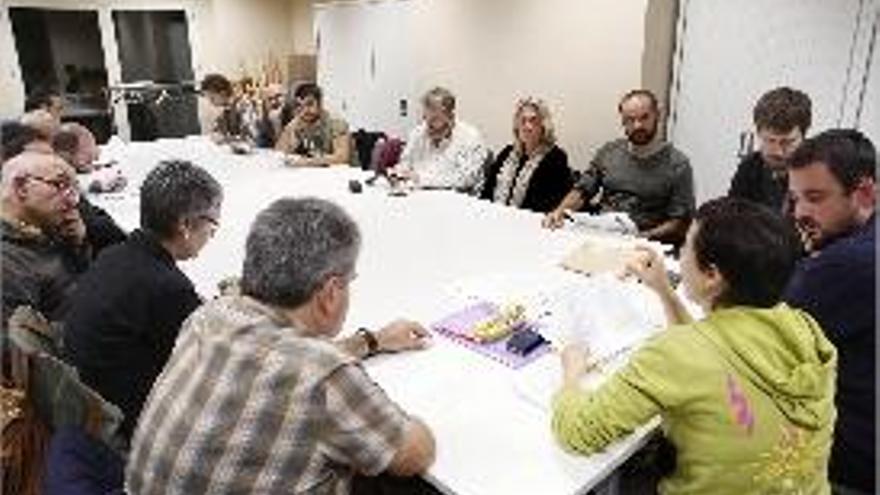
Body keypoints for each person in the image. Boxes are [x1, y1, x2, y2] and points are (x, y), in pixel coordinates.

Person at [126, 198, 436, 494]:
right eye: (349, 280)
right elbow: (414, 455)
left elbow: (274, 359)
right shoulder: (325, 375)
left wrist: (372, 341)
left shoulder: (209, 316)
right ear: (330, 293)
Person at [552, 197, 836, 494]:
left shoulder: (676, 354)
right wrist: (663, 289)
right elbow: (718, 349)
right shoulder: (806, 331)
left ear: (712, 275)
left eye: (686, 246)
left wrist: (572, 373)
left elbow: (579, 432)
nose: (681, 254)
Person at [65, 160, 223, 442]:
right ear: (186, 225)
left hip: (87, 399)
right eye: (212, 225)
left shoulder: (115, 255)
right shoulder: (167, 287)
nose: (213, 235)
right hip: (133, 420)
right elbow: (208, 366)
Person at [783, 130, 876, 495]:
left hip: (845, 464)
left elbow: (763, 333)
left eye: (815, 198)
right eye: (795, 199)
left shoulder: (852, 263)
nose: (801, 212)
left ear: (865, 193)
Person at [543, 90, 694, 246]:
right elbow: (582, 190)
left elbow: (679, 223)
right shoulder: (609, 151)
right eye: (630, 120)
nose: (638, 125)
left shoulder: (678, 164)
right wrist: (559, 211)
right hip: (602, 233)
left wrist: (642, 237)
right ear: (622, 121)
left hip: (645, 242)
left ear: (657, 115)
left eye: (644, 117)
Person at [1, 151, 88, 324]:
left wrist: (77, 245)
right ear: (21, 188)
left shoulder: (43, 230)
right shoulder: (7, 261)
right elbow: (22, 345)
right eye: (60, 185)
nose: (72, 201)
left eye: (73, 189)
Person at [480, 97, 573, 212]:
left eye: (533, 121)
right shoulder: (507, 152)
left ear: (544, 126)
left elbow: (547, 206)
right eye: (522, 121)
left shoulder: (556, 158)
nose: (527, 127)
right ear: (517, 127)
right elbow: (487, 193)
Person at [728, 87, 812, 211]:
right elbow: (732, 216)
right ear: (758, 133)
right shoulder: (749, 167)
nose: (777, 151)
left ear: (803, 137)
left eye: (787, 142)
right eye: (769, 140)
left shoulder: (818, 174)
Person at [391, 87, 489, 191]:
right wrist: (398, 174)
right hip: (420, 193)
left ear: (450, 116)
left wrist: (420, 178)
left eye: (435, 119)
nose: (428, 125)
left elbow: (465, 180)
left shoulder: (470, 137)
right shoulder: (419, 132)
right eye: (425, 117)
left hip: (457, 198)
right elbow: (405, 162)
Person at [275, 82, 352, 166]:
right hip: (318, 172)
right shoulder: (300, 122)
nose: (304, 111)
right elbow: (279, 153)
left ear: (320, 104)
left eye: (309, 104)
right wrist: (290, 128)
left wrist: (307, 162)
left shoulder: (336, 122)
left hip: (344, 173)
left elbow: (341, 157)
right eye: (299, 106)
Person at [200, 73, 253, 145]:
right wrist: (217, 134)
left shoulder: (243, 105)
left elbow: (250, 137)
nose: (210, 102)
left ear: (222, 93)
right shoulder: (226, 109)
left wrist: (226, 139)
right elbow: (218, 128)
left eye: (212, 98)